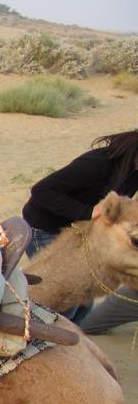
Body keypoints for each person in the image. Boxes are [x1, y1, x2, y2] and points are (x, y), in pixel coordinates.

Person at [21, 129, 138, 328]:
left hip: (79, 230)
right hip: (46, 226)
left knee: (82, 301)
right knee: (57, 298)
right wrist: (88, 211)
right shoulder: (97, 164)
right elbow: (41, 190)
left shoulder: (132, 173)